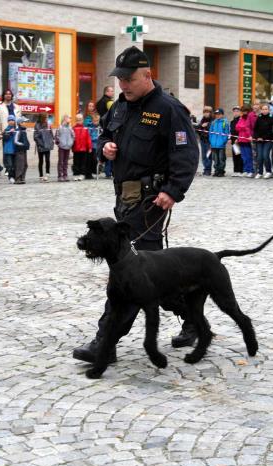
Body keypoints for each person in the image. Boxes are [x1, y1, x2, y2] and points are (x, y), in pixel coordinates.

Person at [73, 45, 199, 365]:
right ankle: (194, 319)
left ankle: (106, 341)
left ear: (147, 75)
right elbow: (103, 134)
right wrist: (106, 147)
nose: (123, 85)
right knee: (155, 275)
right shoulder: (119, 107)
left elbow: (186, 154)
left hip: (150, 202)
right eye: (119, 79)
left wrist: (173, 191)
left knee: (131, 274)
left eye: (129, 79)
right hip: (124, 200)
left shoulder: (169, 108)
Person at [253, 104, 273, 179]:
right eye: (263, 109)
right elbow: (255, 129)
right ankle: (260, 172)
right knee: (259, 157)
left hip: (268, 140)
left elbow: (272, 130)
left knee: (265, 155)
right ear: (261, 110)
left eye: (266, 109)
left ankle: (269, 171)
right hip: (259, 140)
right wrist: (257, 137)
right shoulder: (259, 117)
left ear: (269, 110)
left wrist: (263, 137)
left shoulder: (272, 118)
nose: (264, 110)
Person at [209, 108, 229, 177]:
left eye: (219, 114)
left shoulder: (225, 123)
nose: (217, 116)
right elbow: (210, 133)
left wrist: (223, 141)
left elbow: (226, 133)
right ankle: (216, 170)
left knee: (221, 158)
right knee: (215, 159)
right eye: (216, 114)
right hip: (214, 144)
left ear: (222, 115)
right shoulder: (213, 122)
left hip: (221, 145)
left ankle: (221, 171)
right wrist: (211, 141)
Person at [34, 113, 54, 182]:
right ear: (42, 118)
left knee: (47, 160)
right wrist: (41, 143)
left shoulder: (48, 124)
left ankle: (47, 173)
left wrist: (51, 141)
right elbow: (35, 137)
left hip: (47, 145)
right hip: (41, 146)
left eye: (47, 117)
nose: (47, 119)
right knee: (41, 161)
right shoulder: (37, 125)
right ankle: (41, 175)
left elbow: (51, 134)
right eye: (46, 117)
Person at [72, 113, 92, 181]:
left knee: (83, 162)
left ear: (82, 120)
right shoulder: (73, 128)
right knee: (76, 162)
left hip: (84, 149)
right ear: (75, 120)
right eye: (77, 120)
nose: (79, 121)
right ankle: (76, 174)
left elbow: (88, 138)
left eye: (80, 119)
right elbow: (72, 138)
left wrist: (89, 147)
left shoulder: (85, 128)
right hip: (76, 148)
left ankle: (82, 174)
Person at [235, 104, 253, 177]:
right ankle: (245, 170)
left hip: (247, 139)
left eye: (245, 111)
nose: (244, 113)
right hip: (241, 140)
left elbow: (248, 127)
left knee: (249, 156)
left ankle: (250, 170)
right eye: (243, 111)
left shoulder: (250, 117)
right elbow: (237, 127)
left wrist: (242, 127)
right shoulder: (241, 118)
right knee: (244, 156)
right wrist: (243, 127)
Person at [55, 114, 74, 182]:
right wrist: (59, 143)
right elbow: (57, 136)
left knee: (66, 162)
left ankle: (65, 175)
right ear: (65, 119)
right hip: (61, 147)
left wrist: (71, 143)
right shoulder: (60, 127)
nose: (70, 119)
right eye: (69, 118)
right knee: (61, 161)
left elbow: (73, 136)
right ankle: (60, 175)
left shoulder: (70, 128)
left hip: (68, 146)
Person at [196, 106, 213, 176]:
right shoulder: (202, 120)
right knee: (203, 156)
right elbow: (198, 129)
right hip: (202, 140)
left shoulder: (212, 121)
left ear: (210, 113)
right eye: (205, 112)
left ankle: (208, 169)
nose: (206, 114)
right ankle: (205, 168)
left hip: (209, 140)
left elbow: (212, 129)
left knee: (208, 155)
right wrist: (201, 126)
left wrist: (208, 125)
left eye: (207, 112)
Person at [14, 116, 30, 184]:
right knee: (20, 164)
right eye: (24, 122)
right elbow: (15, 141)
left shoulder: (24, 130)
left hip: (24, 150)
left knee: (25, 164)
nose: (25, 123)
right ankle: (18, 178)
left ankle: (22, 178)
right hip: (19, 150)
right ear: (20, 123)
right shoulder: (18, 131)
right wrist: (22, 144)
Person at [230, 106, 244, 177]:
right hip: (233, 141)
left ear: (240, 112)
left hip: (239, 140)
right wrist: (230, 138)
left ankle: (240, 170)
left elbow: (241, 131)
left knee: (240, 156)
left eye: (237, 111)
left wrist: (238, 138)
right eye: (234, 111)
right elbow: (231, 131)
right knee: (234, 155)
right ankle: (235, 170)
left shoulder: (241, 120)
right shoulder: (232, 122)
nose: (235, 113)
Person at [3, 115, 17, 184]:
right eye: (10, 120)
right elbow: (5, 139)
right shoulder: (6, 130)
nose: (11, 122)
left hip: (14, 150)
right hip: (8, 150)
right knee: (9, 165)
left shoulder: (16, 129)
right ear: (8, 122)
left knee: (14, 165)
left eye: (13, 120)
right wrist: (9, 133)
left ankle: (14, 177)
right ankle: (10, 177)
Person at [86, 113, 101, 178]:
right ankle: (88, 174)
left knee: (95, 159)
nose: (96, 122)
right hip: (91, 146)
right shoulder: (90, 127)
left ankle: (95, 171)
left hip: (97, 146)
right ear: (92, 121)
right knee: (89, 160)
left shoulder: (100, 127)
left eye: (97, 121)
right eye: (95, 121)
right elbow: (89, 136)